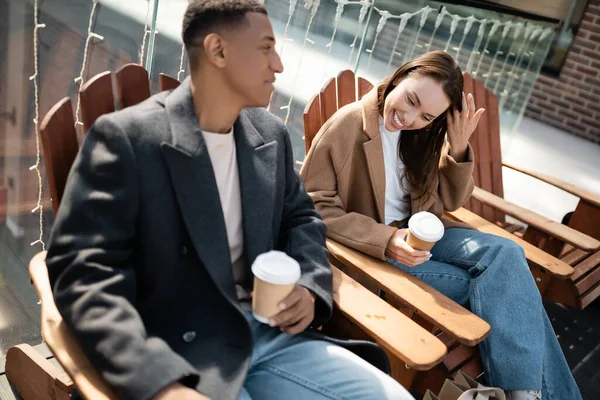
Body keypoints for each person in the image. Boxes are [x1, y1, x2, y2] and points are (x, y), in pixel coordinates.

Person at [45, 1, 414, 399]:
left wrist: (309, 285)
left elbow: (302, 219)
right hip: (178, 349)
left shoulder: (269, 135)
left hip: (268, 330)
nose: (279, 65)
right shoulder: (128, 140)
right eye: (265, 48)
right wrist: (158, 382)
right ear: (218, 51)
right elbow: (82, 271)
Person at [300, 51, 581, 400]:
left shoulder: (419, 137)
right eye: (411, 100)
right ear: (403, 75)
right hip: (374, 252)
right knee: (506, 289)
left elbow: (446, 203)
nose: (409, 117)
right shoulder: (348, 126)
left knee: (508, 254)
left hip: (421, 239)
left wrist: (458, 147)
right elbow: (313, 205)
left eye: (426, 115)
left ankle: (523, 394)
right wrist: (386, 239)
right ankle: (528, 394)